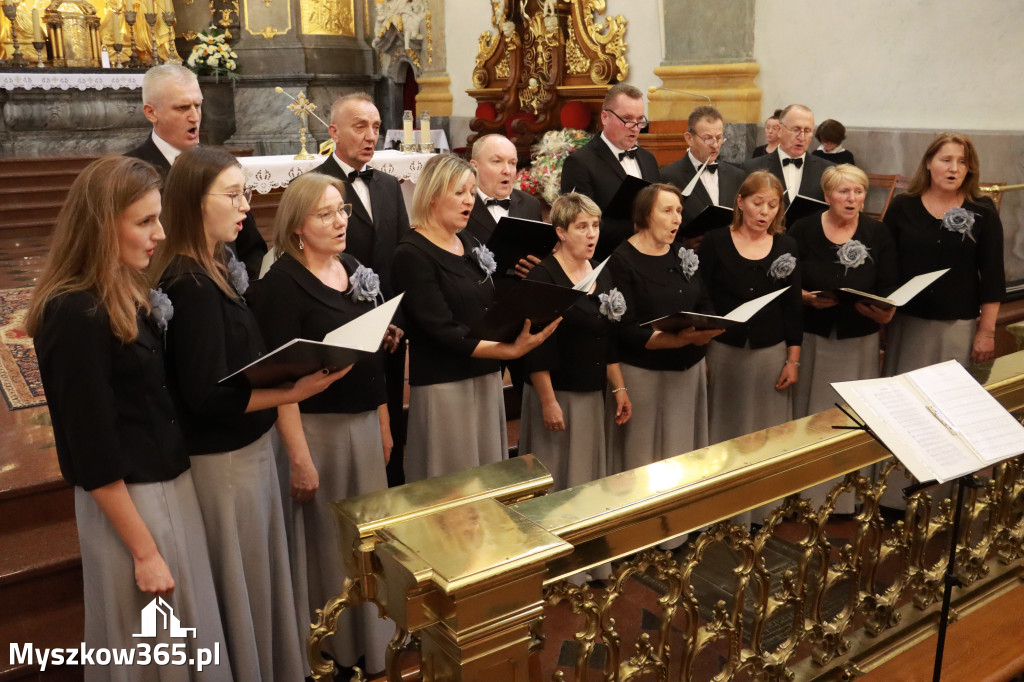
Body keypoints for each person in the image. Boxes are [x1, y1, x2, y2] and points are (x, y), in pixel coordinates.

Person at [27, 156, 232, 682]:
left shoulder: (121, 289)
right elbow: (92, 450)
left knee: (187, 641)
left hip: (166, 486)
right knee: (152, 650)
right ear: (100, 227)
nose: (159, 234)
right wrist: (145, 552)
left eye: (158, 219)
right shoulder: (73, 313)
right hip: (131, 502)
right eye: (144, 222)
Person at [153, 147, 345, 682]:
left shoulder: (214, 265)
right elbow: (207, 396)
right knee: (243, 580)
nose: (246, 206)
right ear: (194, 201)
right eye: (233, 195)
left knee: (261, 576)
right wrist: (293, 389)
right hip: (225, 462)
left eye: (246, 192)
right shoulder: (189, 282)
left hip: (248, 449)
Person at [246, 172, 397, 675]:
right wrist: (300, 458)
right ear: (296, 228)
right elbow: (280, 382)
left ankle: (371, 643)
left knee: (365, 545)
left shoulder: (353, 267)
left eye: (344, 211)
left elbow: (368, 358)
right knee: (328, 548)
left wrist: (383, 422)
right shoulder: (279, 288)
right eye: (326, 214)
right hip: (317, 432)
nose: (339, 222)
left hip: (362, 423)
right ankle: (330, 651)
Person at [391, 154, 559, 481]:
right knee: (454, 483)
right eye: (459, 192)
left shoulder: (468, 241)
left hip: (484, 376)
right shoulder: (411, 253)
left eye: (471, 192)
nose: (469, 200)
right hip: (445, 385)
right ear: (433, 194)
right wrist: (507, 351)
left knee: (488, 478)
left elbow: (487, 303)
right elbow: (441, 329)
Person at [313, 92, 411, 485]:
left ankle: (394, 482)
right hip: (341, 324)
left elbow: (401, 256)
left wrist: (397, 318)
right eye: (360, 127)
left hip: (391, 325)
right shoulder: (313, 185)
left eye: (375, 127)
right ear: (334, 131)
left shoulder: (388, 185)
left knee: (392, 411)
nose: (371, 135)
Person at [789, 164, 898, 514]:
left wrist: (886, 310)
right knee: (813, 418)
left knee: (851, 417)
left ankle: (847, 498)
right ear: (827, 196)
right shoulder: (804, 230)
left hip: (859, 339)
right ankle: (804, 495)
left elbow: (888, 284)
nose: (852, 199)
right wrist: (804, 297)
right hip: (813, 337)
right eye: (844, 192)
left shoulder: (877, 232)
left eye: (859, 192)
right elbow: (788, 281)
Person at [519, 193, 632, 490]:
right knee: (554, 476)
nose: (592, 233)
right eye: (582, 226)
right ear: (561, 232)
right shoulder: (545, 275)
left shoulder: (601, 272)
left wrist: (619, 388)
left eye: (595, 225)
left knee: (586, 475)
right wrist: (548, 402)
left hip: (591, 391)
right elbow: (536, 347)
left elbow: (608, 338)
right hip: (557, 393)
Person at [606, 183, 721, 473]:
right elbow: (626, 329)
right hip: (645, 373)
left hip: (687, 369)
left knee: (683, 454)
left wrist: (707, 327)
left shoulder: (681, 252)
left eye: (679, 211)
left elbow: (705, 300)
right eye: (667, 210)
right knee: (642, 455)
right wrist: (678, 339)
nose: (677, 218)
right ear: (646, 215)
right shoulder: (621, 260)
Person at [126, 64, 267, 278]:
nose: (195, 117)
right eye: (182, 108)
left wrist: (247, 293)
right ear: (151, 112)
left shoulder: (219, 167)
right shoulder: (131, 171)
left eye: (198, 106)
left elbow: (252, 246)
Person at [883, 132, 1004, 375]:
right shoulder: (902, 206)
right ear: (928, 163)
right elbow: (886, 265)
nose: (954, 169)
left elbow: (992, 275)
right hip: (907, 322)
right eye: (946, 160)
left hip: (956, 324)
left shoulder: (982, 210)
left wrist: (987, 332)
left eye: (962, 162)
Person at [699, 170, 802, 446]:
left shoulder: (786, 245)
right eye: (758, 203)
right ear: (740, 202)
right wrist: (703, 352)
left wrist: (793, 361)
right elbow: (702, 297)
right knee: (721, 424)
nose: (764, 212)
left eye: (772, 205)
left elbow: (792, 307)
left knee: (766, 430)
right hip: (723, 348)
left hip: (770, 352)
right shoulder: (715, 241)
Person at [560, 83, 661, 261]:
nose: (635, 127)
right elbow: (580, 224)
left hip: (650, 257)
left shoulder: (648, 159)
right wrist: (638, 228)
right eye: (628, 119)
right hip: (608, 261)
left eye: (640, 120)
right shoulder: (580, 163)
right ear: (605, 117)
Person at [659, 105, 746, 244]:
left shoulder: (736, 175)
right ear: (689, 138)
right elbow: (660, 227)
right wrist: (684, 242)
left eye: (719, 138)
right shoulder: (668, 177)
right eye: (708, 138)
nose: (715, 145)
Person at [745, 104, 834, 205]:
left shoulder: (828, 171)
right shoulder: (752, 168)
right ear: (779, 130)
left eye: (807, 131)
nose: (802, 137)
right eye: (796, 130)